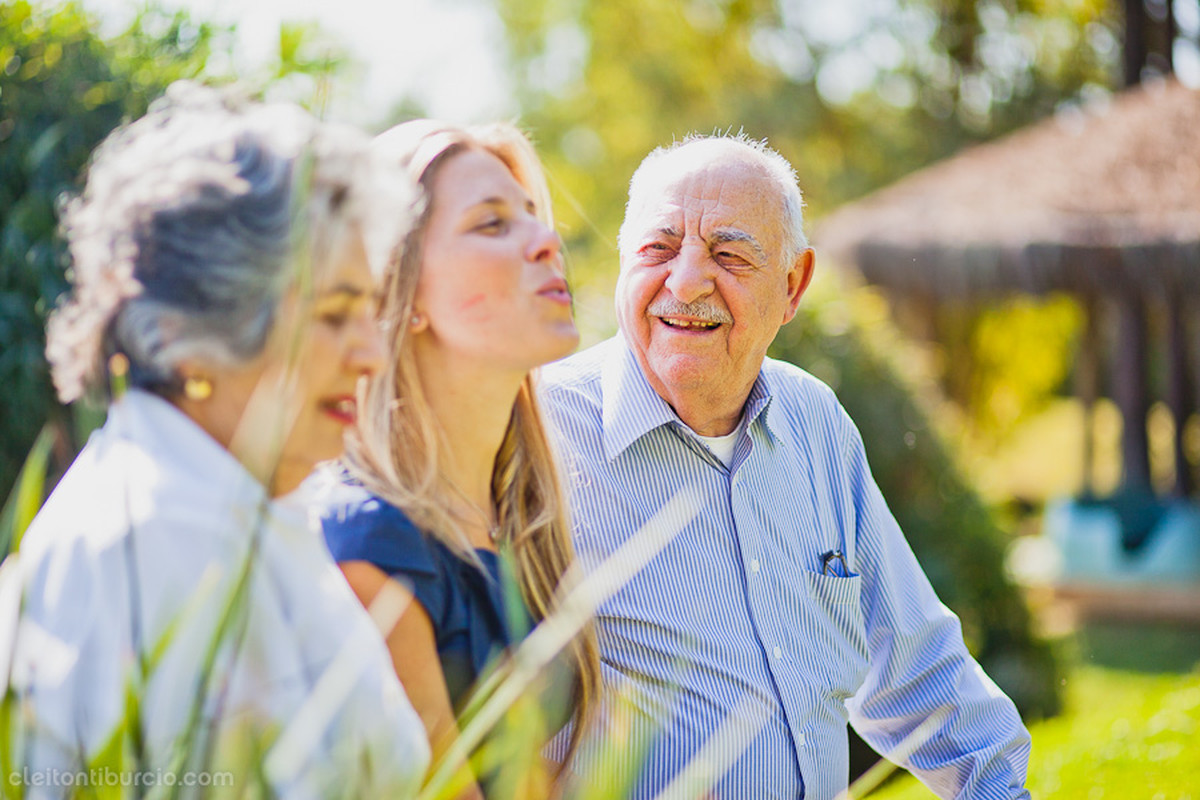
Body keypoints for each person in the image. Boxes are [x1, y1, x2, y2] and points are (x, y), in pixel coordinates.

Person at [539, 134, 1033, 799]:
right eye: (658, 249)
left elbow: (918, 667)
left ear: (793, 285)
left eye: (729, 253)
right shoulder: (540, 433)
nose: (685, 281)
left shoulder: (814, 421)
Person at [0, 83, 429, 796]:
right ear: (190, 335)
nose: (372, 357)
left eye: (368, 314)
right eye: (333, 316)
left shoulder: (249, 505)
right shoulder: (163, 535)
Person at [316, 120, 601, 797]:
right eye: (492, 224)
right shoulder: (371, 549)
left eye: (533, 217)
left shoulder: (521, 522)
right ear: (402, 290)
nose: (548, 241)